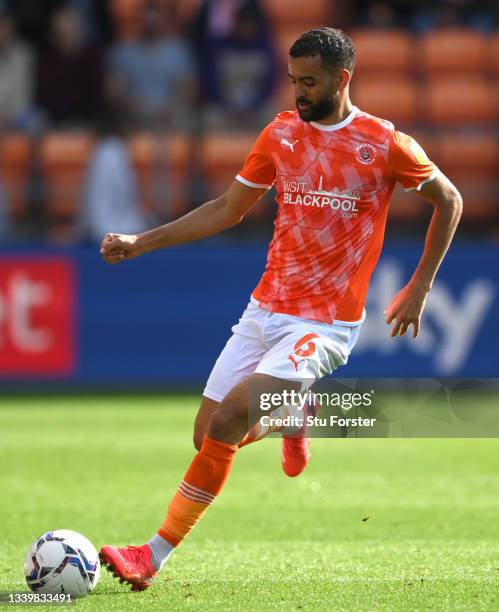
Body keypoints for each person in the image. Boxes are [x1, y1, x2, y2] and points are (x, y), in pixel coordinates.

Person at [98, 28, 463, 590]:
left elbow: (450, 199)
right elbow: (227, 208)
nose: (299, 92)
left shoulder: (384, 143)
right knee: (209, 438)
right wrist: (141, 242)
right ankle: (294, 413)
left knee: (226, 420)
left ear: (343, 79)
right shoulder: (280, 134)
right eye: (294, 80)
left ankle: (152, 555)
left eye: (310, 82)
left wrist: (420, 286)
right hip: (265, 308)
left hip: (325, 323)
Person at [107, 0, 195, 129]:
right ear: (138, 19)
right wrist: (140, 110)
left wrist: (166, 111)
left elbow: (188, 91)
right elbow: (114, 93)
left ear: (164, 20)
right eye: (146, 17)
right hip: (131, 123)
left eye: (155, 17)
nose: (150, 22)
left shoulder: (178, 51)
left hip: (171, 123)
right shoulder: (122, 51)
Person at [83, 113, 148, 242]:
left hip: (111, 225)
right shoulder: (111, 152)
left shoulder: (110, 151)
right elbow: (123, 191)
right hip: (108, 228)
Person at [36, 6, 104, 125]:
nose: (67, 34)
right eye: (62, 31)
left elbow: (95, 98)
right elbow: (44, 97)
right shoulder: (46, 59)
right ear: (54, 34)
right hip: (53, 122)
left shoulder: (93, 56)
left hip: (87, 122)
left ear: (80, 30)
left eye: (72, 29)